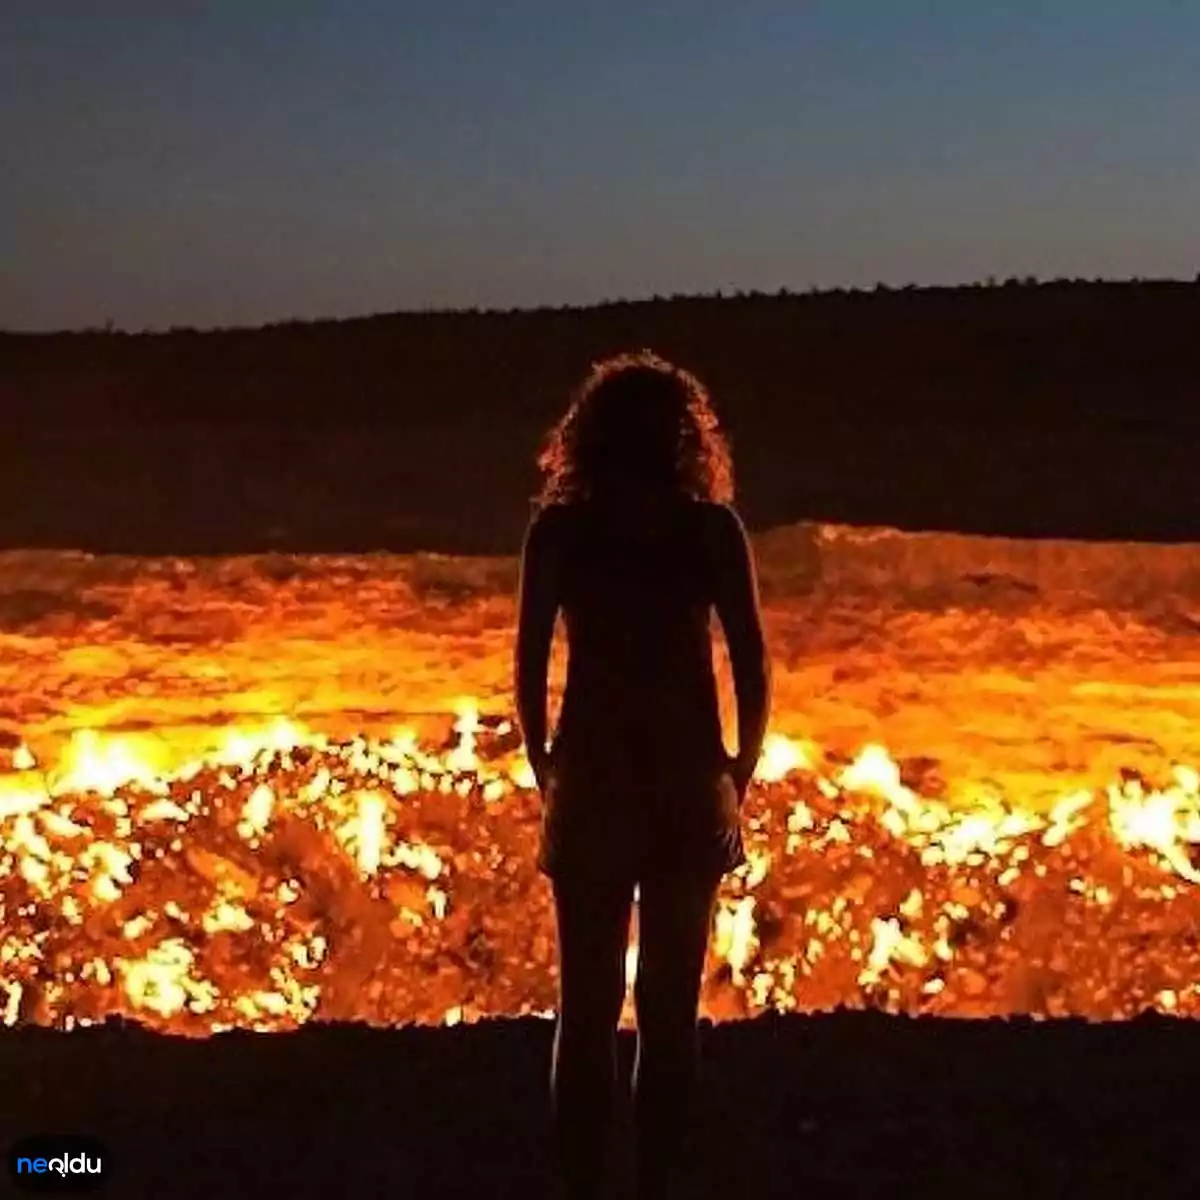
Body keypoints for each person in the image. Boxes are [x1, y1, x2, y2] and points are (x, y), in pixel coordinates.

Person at [514, 349, 771, 1199]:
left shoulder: (559, 532)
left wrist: (545, 765)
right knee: (669, 1011)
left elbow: (527, 666)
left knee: (584, 1009)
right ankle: (655, 1184)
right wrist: (740, 769)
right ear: (683, 437)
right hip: (685, 780)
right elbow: (751, 663)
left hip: (590, 777)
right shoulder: (709, 531)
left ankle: (585, 1186)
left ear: (585, 438)